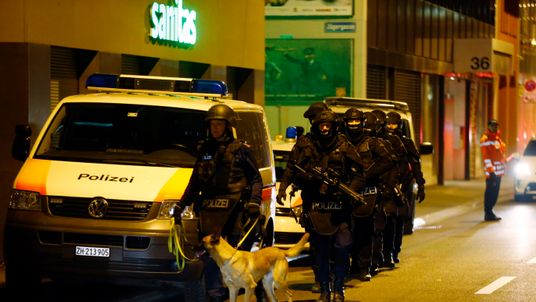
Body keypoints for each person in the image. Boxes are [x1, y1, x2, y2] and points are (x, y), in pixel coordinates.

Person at [173, 104, 263, 302]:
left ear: (227, 126)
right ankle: (215, 295)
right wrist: (181, 204)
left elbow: (256, 179)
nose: (215, 128)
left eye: (219, 124)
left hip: (235, 210)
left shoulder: (241, 150)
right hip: (209, 210)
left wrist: (254, 202)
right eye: (212, 124)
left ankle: (245, 288)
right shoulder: (204, 149)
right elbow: (195, 182)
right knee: (210, 255)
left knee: (233, 255)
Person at [277, 109, 360, 302]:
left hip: (339, 206)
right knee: (320, 250)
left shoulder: (345, 146)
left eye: (328, 125)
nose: (324, 128)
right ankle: (324, 288)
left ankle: (338, 287)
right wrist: (284, 188)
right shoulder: (305, 144)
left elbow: (359, 175)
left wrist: (348, 191)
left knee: (343, 246)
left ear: (334, 126)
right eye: (321, 125)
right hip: (315, 205)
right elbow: (291, 168)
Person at [343, 108, 394, 282]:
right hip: (345, 191)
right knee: (345, 232)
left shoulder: (371, 142)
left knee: (365, 231)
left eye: (357, 122)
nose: (354, 126)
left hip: (368, 193)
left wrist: (368, 175)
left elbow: (388, 160)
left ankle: (364, 267)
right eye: (351, 122)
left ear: (363, 123)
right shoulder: (341, 141)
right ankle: (349, 266)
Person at [385, 111, 426, 262]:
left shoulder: (406, 143)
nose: (390, 127)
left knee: (398, 221)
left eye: (393, 124)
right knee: (385, 222)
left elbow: (415, 165)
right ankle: (384, 253)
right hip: (385, 187)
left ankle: (394, 252)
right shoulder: (380, 141)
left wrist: (420, 185)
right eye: (388, 123)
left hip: (402, 188)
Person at [480, 119, 506, 221]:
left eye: (496, 126)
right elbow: (486, 157)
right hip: (492, 173)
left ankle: (490, 212)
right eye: (493, 126)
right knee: (490, 193)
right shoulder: (485, 139)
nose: (495, 127)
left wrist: (509, 159)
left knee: (495, 193)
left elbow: (499, 156)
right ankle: (488, 213)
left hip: (498, 173)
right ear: (489, 126)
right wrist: (491, 171)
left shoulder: (497, 139)